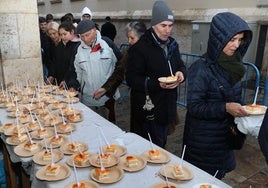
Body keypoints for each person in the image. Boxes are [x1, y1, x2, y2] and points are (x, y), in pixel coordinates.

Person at [182, 12, 252, 179]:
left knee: (217, 178)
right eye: (232, 39)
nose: (236, 45)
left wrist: (244, 109)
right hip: (203, 142)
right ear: (218, 39)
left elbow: (234, 95)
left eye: (240, 39)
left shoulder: (235, 65)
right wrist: (225, 107)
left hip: (224, 138)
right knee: (201, 180)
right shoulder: (201, 69)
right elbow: (194, 107)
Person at [125, 0, 186, 148]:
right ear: (153, 25)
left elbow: (180, 66)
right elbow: (132, 79)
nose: (167, 30)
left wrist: (181, 73)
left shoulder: (172, 44)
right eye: (163, 25)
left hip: (167, 107)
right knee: (148, 148)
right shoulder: (139, 48)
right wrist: (157, 84)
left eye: (170, 26)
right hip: (148, 110)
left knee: (161, 144)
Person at [74, 19, 122, 123]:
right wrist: (75, 87)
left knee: (110, 127)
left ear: (94, 30)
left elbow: (121, 66)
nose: (85, 39)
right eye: (82, 36)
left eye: (87, 35)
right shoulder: (78, 49)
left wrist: (111, 88)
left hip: (107, 97)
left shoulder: (107, 43)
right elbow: (77, 72)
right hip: (88, 98)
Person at [46, 21, 80, 88]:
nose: (62, 37)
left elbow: (73, 66)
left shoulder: (77, 46)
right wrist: (51, 75)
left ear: (72, 32)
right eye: (60, 35)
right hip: (60, 80)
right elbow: (55, 61)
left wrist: (66, 80)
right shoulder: (60, 45)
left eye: (65, 34)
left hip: (72, 82)